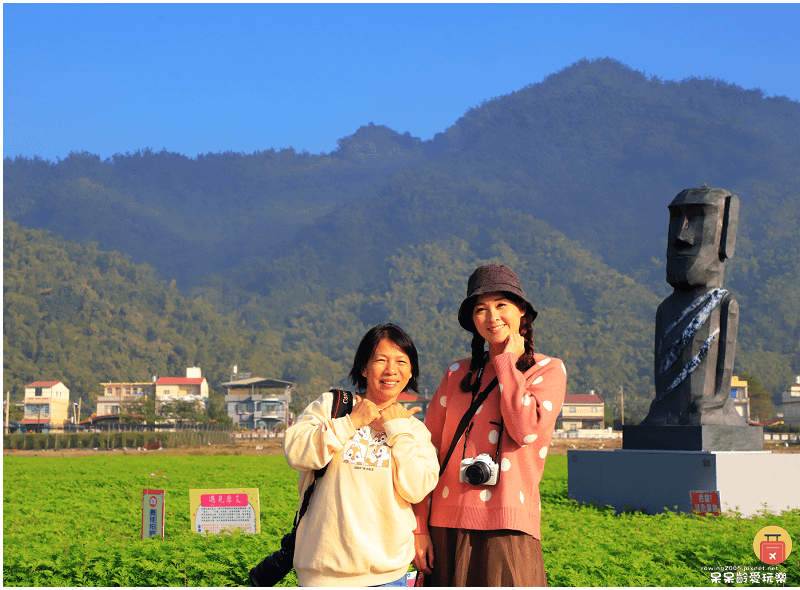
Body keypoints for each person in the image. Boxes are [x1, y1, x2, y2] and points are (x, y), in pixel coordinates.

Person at [412, 264, 567, 586]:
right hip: (445, 523)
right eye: (480, 309)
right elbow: (426, 455)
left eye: (501, 305)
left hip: (508, 524)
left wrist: (506, 362)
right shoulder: (457, 373)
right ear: (472, 320)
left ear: (522, 311)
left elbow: (523, 429)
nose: (491, 316)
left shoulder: (546, 370)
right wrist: (419, 527)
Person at [284, 323, 439, 587]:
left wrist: (398, 430)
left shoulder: (413, 429)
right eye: (381, 360)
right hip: (323, 574)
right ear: (364, 368)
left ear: (410, 371)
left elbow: (417, 488)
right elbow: (296, 452)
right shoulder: (332, 406)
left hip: (389, 576)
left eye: (401, 361)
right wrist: (352, 421)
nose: (391, 370)